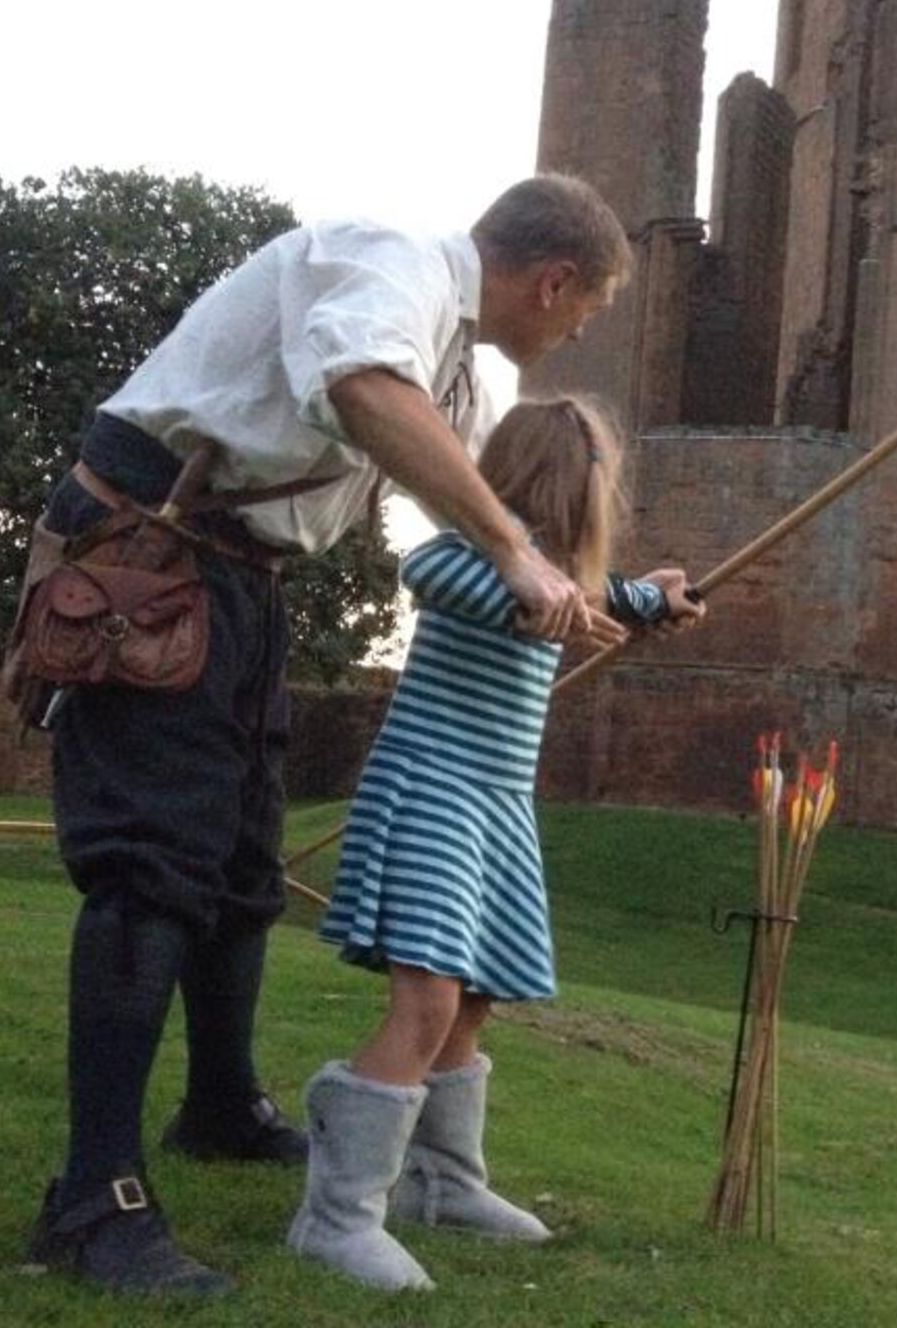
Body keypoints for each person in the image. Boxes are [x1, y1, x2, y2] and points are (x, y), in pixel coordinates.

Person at [24, 174, 702, 1296]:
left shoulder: (455, 370)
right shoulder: (391, 261)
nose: (575, 333)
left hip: (237, 579)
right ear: (553, 281)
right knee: (150, 870)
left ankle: (221, 1107)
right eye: (583, 311)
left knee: (240, 872)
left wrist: (620, 596)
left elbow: (493, 515)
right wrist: (512, 554)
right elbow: (367, 390)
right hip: (148, 555)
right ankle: (94, 1198)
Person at [287, 396, 672, 1291]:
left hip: (495, 807)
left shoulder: (555, 575)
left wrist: (654, 598)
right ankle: (336, 1217)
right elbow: (432, 571)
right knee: (427, 1003)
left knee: (474, 998)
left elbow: (594, 593)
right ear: (566, 482)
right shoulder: (476, 554)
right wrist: (543, 594)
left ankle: (443, 1183)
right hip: (433, 794)